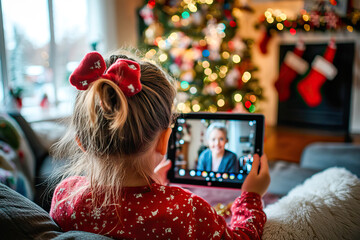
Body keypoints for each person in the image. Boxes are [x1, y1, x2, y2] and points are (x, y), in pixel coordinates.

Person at [50, 50, 271, 239]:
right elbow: (243, 237)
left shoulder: (65, 197)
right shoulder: (187, 210)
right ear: (165, 140)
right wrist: (252, 195)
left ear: (81, 142)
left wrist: (155, 184)